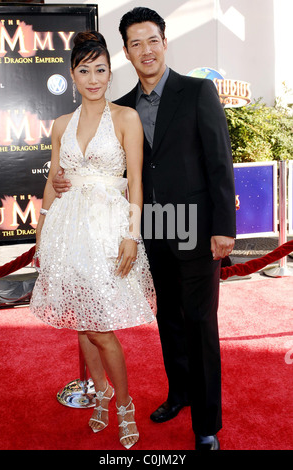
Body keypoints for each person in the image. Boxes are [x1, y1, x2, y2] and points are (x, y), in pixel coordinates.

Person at [53, 7, 236, 450]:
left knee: (200, 323)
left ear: (164, 41)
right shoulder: (125, 108)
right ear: (127, 53)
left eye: (151, 40)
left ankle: (207, 423)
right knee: (168, 320)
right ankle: (179, 394)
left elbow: (219, 161)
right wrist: (65, 179)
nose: (145, 50)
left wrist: (223, 228)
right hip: (149, 230)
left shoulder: (197, 92)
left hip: (195, 228)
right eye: (135, 43)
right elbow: (122, 174)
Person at [30, 30, 156, 450]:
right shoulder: (61, 124)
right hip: (67, 231)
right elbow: (54, 180)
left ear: (110, 71)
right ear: (72, 74)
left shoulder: (125, 118)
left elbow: (136, 179)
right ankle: (100, 391)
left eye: (100, 69)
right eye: (84, 69)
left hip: (107, 230)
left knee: (102, 326)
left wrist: (132, 234)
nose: (94, 78)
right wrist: (41, 228)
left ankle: (124, 404)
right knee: (83, 321)